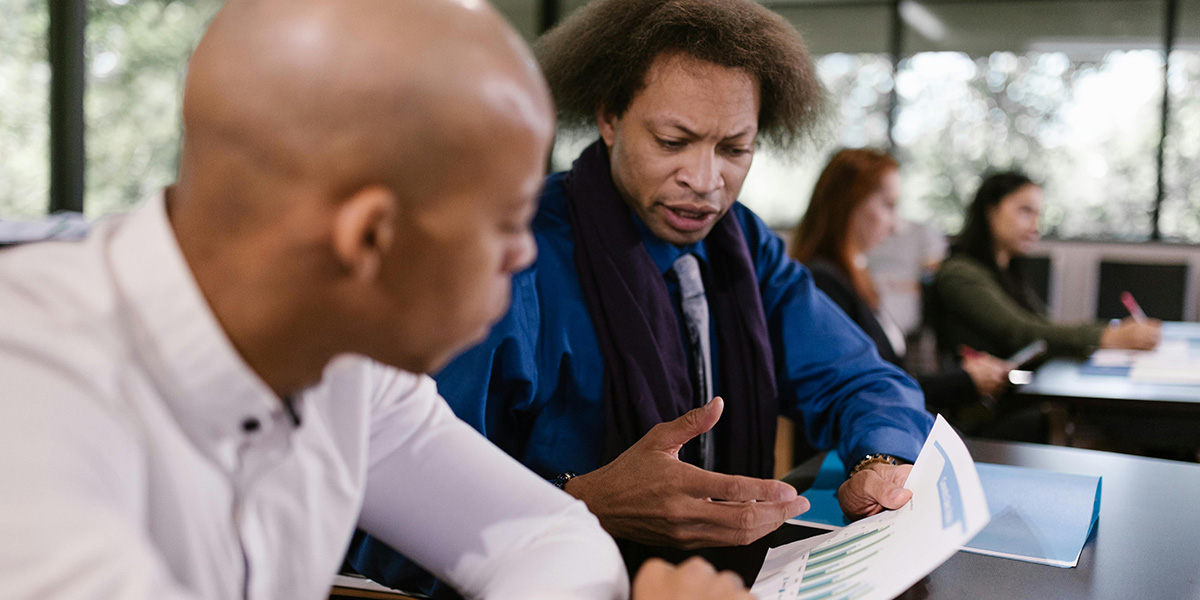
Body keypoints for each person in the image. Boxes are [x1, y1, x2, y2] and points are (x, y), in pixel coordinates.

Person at [0, 0, 751, 598]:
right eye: (504, 222)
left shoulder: (343, 356)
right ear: (370, 240)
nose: (526, 252)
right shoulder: (32, 398)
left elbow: (552, 539)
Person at [352, 0, 934, 588]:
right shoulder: (512, 259)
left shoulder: (743, 245)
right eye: (672, 140)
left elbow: (860, 377)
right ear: (609, 118)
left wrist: (880, 460)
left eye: (734, 149)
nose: (705, 182)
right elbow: (394, 510)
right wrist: (579, 502)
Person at [791, 149, 1012, 415]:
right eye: (888, 206)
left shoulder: (853, 276)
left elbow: (891, 378)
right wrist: (963, 380)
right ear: (849, 204)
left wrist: (963, 375)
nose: (895, 226)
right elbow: (869, 391)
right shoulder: (823, 282)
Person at [933, 171, 1162, 359]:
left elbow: (1042, 324)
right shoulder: (960, 273)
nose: (1036, 227)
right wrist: (1108, 335)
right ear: (990, 211)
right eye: (1025, 211)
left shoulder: (1008, 271)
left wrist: (1114, 331)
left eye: (1038, 214)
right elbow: (1022, 331)